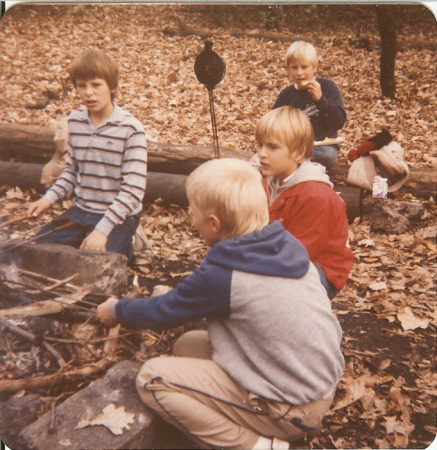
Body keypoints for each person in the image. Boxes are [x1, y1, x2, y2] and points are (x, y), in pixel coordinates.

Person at [96, 158, 345, 450]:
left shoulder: (226, 273)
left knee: (153, 378)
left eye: (193, 214)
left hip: (289, 408)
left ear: (214, 223)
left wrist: (115, 310)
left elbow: (163, 311)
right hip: (313, 385)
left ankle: (259, 445)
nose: (191, 220)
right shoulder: (283, 244)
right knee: (188, 345)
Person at [27, 48, 147, 262]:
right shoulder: (75, 121)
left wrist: (102, 230)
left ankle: (130, 240)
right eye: (81, 86)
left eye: (96, 85)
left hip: (118, 217)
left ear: (112, 86)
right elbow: (71, 172)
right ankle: (85, 235)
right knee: (35, 251)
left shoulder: (131, 128)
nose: (88, 93)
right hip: (80, 211)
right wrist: (48, 199)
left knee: (100, 264)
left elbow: (133, 190)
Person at [256, 106, 354, 299]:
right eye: (259, 145)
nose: (262, 154)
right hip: (278, 254)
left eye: (272, 147)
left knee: (259, 288)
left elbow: (297, 255)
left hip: (319, 269)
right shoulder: (268, 183)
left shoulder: (315, 195)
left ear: (299, 152)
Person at [272, 40, 346, 169]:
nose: (299, 73)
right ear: (288, 69)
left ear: (314, 67)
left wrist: (321, 99)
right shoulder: (287, 95)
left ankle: (294, 165)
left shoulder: (328, 87)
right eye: (294, 68)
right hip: (295, 146)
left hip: (321, 146)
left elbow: (339, 121)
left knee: (327, 154)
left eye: (304, 67)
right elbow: (273, 125)